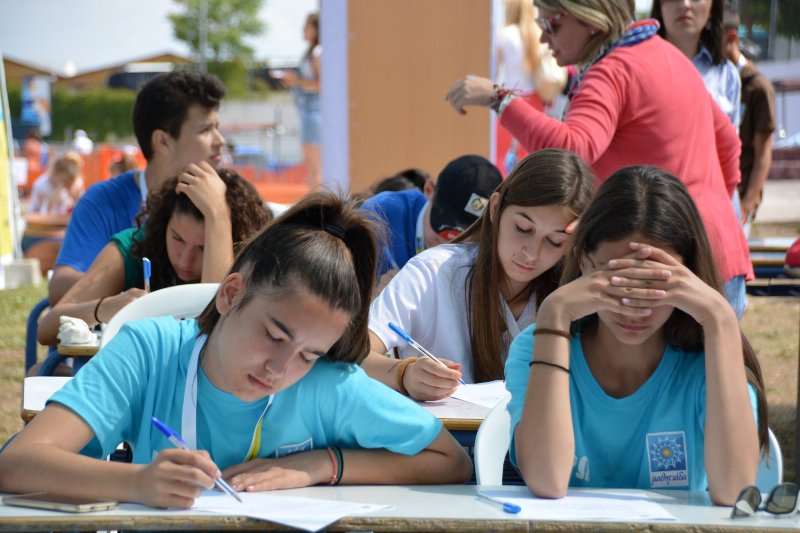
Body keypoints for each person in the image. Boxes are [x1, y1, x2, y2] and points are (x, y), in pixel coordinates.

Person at [0, 192, 473, 508]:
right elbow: (16, 464)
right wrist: (137, 482)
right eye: (275, 335)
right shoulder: (150, 351)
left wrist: (321, 464)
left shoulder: (327, 383)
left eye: (309, 354)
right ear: (230, 294)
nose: (281, 368)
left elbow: (451, 460)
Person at [444, 0, 751, 320]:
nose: (544, 38)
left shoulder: (612, 70)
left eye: (551, 24)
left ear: (590, 21)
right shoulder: (669, 56)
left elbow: (573, 148)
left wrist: (499, 98)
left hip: (665, 270)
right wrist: (710, 212)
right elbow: (729, 144)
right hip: (718, 254)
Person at [506, 165, 766, 505]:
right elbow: (546, 480)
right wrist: (554, 313)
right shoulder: (537, 345)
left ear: (689, 279)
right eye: (617, 282)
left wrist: (721, 319)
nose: (634, 307)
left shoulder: (709, 358)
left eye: (655, 284)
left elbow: (735, 490)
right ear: (584, 262)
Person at [363, 149, 594, 401]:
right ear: (495, 208)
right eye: (523, 228)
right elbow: (355, 356)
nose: (531, 253)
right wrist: (402, 373)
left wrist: (590, 255)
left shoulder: (577, 295)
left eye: (554, 241)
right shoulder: (432, 272)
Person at [37, 168, 272, 346]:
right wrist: (108, 307)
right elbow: (47, 328)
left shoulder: (250, 264)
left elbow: (215, 334)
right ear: (163, 223)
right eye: (177, 238)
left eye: (203, 248)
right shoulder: (134, 246)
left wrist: (218, 215)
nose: (185, 260)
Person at [48, 71, 227, 305]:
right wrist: (124, 283)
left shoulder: (232, 201)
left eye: (217, 127)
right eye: (205, 130)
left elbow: (231, 304)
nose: (220, 140)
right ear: (162, 141)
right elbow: (59, 290)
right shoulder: (103, 201)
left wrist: (218, 214)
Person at [362, 155, 502, 293]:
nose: (449, 242)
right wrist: (373, 296)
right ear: (429, 189)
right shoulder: (378, 216)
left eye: (467, 234)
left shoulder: (495, 251)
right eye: (445, 225)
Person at [495, 0, 567, 175]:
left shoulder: (504, 34)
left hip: (509, 97)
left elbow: (495, 72)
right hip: (535, 99)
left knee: (502, 153)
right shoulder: (537, 33)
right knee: (530, 150)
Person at [723, 8, 776, 232]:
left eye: (711, 36)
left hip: (739, 196)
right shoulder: (714, 80)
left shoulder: (758, 87)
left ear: (731, 37)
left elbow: (763, 154)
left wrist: (746, 205)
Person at [651, 0, 740, 126]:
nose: (685, 4)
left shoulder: (727, 74)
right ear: (659, 6)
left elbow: (731, 137)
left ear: (712, 8)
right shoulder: (638, 69)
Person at [280, 13, 322, 188]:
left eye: (307, 26)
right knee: (312, 166)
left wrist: (297, 81)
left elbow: (322, 84)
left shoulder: (318, 52)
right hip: (309, 112)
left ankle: (318, 201)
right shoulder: (312, 52)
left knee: (315, 167)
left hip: (314, 112)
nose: (303, 30)